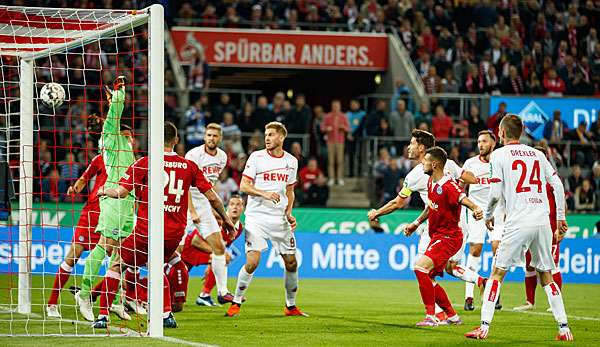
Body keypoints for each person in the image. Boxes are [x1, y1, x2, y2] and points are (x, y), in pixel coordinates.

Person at [91, 121, 234, 329]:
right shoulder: (189, 165)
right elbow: (212, 197)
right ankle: (166, 314)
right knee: (157, 266)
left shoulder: (145, 163)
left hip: (146, 230)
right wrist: (227, 219)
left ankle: (103, 316)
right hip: (174, 233)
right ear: (176, 140)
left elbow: (121, 192)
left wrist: (104, 190)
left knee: (117, 264)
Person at [465, 114, 572, 341]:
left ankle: (483, 327)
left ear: (502, 133)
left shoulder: (499, 155)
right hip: (543, 221)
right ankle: (564, 329)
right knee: (547, 275)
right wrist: (560, 219)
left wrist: (488, 215)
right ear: (521, 132)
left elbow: (494, 194)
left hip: (518, 221)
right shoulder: (537, 153)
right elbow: (558, 185)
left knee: (496, 274)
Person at [367, 130, 483, 320]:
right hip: (443, 224)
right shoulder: (448, 165)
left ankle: (436, 314)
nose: (408, 147)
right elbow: (467, 179)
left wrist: (377, 212)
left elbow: (398, 202)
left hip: (446, 228)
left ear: (421, 148)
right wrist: (416, 222)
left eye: (412, 143)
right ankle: (450, 312)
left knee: (424, 269)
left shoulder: (416, 175)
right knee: (436, 270)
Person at [226, 122, 307, 317]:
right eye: (266, 134)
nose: (267, 138)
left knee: (291, 262)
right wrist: (265, 193)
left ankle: (290, 306)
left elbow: (290, 191)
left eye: (271, 134)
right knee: (253, 261)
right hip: (257, 217)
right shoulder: (257, 157)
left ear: (281, 137)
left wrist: (289, 213)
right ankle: (236, 302)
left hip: (279, 219)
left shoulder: (291, 161)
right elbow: (244, 186)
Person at [75, 77, 136, 322]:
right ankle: (85, 293)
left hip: (128, 196)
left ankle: (115, 300)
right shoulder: (110, 135)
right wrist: (118, 93)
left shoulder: (121, 141)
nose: (132, 137)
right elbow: (117, 113)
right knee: (106, 244)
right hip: (113, 195)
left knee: (122, 251)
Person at [404, 146, 484, 327]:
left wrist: (476, 208)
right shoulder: (431, 181)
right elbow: (430, 206)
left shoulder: (448, 185)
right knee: (428, 275)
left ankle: (431, 316)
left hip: (449, 237)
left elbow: (462, 198)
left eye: (425, 161)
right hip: (437, 236)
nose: (422, 163)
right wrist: (416, 223)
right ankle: (452, 316)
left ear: (434, 164)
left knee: (419, 268)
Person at [179, 123, 234, 304]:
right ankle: (154, 289)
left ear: (220, 139)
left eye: (215, 136)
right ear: (204, 137)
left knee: (219, 247)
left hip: (204, 203)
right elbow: (185, 183)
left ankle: (222, 291)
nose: (211, 138)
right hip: (186, 203)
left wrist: (212, 208)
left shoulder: (222, 157)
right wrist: (192, 210)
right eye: (209, 135)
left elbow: (210, 184)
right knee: (174, 250)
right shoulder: (193, 155)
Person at [46, 154, 106, 318]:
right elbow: (85, 177)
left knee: (122, 260)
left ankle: (91, 295)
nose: (129, 140)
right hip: (92, 214)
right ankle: (52, 303)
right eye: (125, 136)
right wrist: (75, 188)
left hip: (113, 217)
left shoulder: (131, 161)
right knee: (73, 255)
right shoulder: (101, 158)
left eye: (129, 137)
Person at [514, 146, 565, 312]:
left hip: (549, 228)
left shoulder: (551, 181)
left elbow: (561, 202)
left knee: (551, 265)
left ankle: (555, 302)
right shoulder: (530, 180)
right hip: (530, 226)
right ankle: (530, 302)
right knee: (529, 265)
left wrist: (561, 225)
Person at [172, 195, 245, 309]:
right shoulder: (217, 221)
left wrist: (213, 263)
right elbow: (195, 241)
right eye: (232, 204)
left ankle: (205, 295)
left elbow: (224, 245)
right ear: (227, 207)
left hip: (202, 251)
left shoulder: (239, 228)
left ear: (243, 208)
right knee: (176, 282)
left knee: (222, 258)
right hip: (189, 248)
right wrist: (215, 254)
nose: (235, 207)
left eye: (238, 204)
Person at [460, 130, 505, 311]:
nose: (480, 145)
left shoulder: (501, 162)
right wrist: (469, 206)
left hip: (498, 212)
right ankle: (469, 296)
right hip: (477, 212)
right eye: (479, 141)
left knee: (497, 248)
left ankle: (495, 289)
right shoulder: (470, 163)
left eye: (484, 141)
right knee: (475, 249)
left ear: (493, 143)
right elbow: (459, 188)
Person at [321, 100, 350, 186]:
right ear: (332, 107)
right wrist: (327, 128)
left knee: (340, 160)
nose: (336, 108)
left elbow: (348, 128)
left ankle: (340, 178)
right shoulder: (328, 116)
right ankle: (332, 178)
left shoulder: (343, 116)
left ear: (340, 107)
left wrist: (343, 127)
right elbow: (322, 127)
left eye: (337, 106)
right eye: (334, 106)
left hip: (340, 141)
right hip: (330, 141)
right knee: (331, 161)